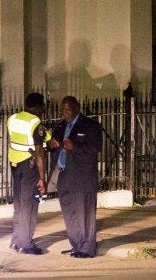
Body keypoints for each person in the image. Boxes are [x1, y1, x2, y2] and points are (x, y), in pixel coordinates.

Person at [47, 96, 102, 258]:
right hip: (64, 175)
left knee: (84, 214)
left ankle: (86, 249)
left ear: (77, 107)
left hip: (82, 177)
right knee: (69, 213)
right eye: (62, 109)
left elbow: (94, 150)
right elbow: (56, 146)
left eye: (68, 109)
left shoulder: (90, 125)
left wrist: (74, 146)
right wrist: (52, 145)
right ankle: (76, 245)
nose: (64, 112)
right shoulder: (60, 126)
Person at [7, 92, 50, 255]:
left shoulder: (12, 118)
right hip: (29, 167)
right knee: (29, 206)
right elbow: (39, 154)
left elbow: (22, 139)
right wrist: (42, 178)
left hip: (14, 165)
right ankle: (26, 244)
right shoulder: (35, 122)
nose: (43, 110)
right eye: (43, 107)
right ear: (39, 107)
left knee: (18, 205)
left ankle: (16, 241)